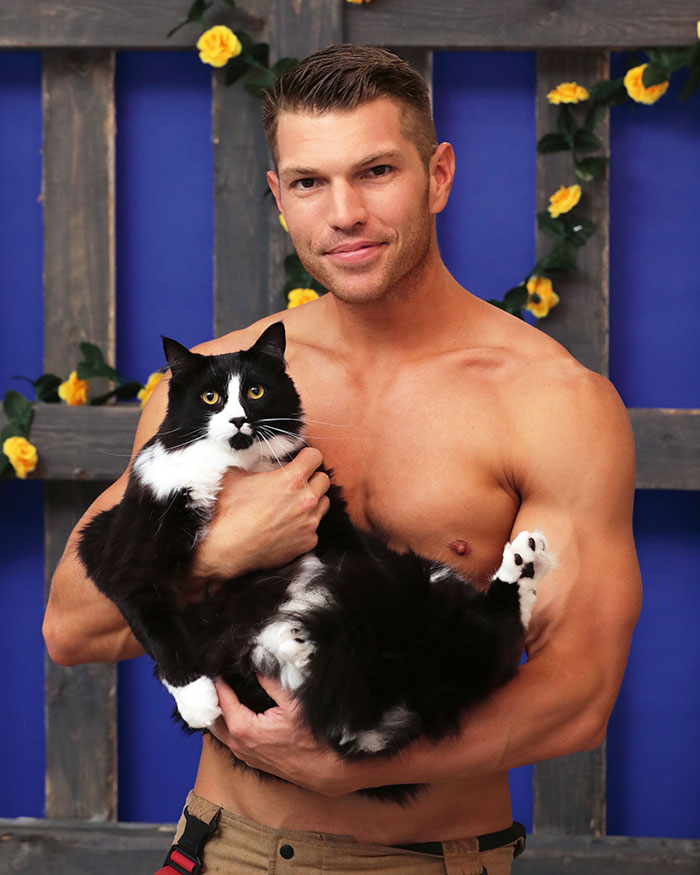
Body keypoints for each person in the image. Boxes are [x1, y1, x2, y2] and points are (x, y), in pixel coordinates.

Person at [43, 45, 641, 874]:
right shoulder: (212, 389)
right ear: (278, 198)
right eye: (308, 182)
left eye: (377, 171)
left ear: (437, 175)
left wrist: (362, 758)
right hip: (225, 845)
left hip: (427, 857)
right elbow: (72, 626)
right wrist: (221, 548)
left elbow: (581, 692)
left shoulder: (553, 403)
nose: (344, 212)